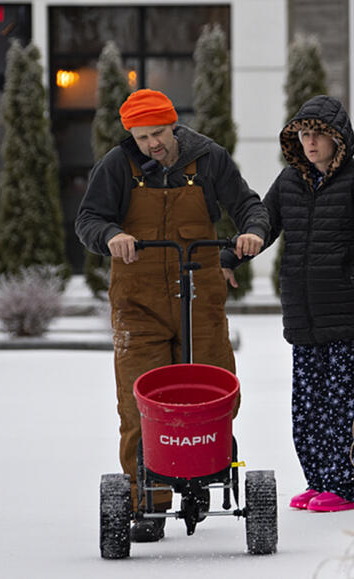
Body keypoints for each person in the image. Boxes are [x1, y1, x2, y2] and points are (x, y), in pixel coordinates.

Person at [75, 88, 267, 542]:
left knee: (213, 396)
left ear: (173, 125)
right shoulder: (117, 167)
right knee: (139, 404)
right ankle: (148, 504)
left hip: (199, 297)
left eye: (157, 134)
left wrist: (251, 235)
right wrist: (110, 235)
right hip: (138, 306)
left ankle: (203, 479)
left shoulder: (208, 160)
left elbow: (248, 206)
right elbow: (88, 220)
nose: (151, 145)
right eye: (141, 138)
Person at [229, 94, 354, 513]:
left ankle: (343, 488)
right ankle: (317, 480)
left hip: (345, 314)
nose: (310, 143)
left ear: (337, 139)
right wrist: (229, 259)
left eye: (318, 136)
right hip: (304, 316)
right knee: (307, 408)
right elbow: (264, 223)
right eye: (304, 135)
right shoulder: (289, 181)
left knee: (343, 405)